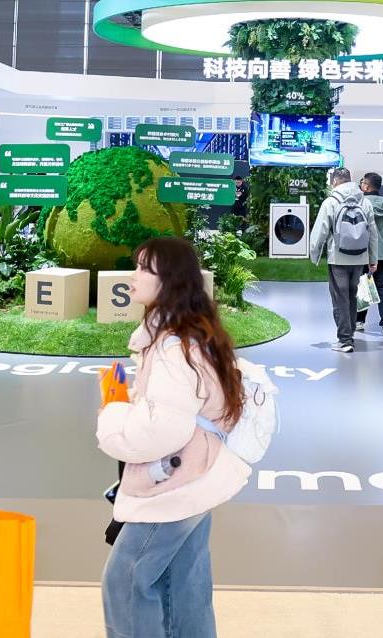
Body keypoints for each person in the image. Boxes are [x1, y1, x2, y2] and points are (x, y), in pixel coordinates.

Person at [97, 236, 250, 638]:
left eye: (144, 268)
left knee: (125, 582)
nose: (133, 276)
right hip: (196, 475)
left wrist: (113, 412)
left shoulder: (173, 348)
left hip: (173, 485)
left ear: (169, 281)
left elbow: (162, 430)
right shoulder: (190, 336)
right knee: (185, 585)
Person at [308, 166, 372, 353]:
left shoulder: (331, 202)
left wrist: (314, 254)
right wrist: (373, 258)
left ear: (335, 181)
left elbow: (320, 231)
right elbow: (373, 232)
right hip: (360, 257)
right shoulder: (365, 202)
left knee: (340, 297)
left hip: (338, 257)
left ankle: (344, 340)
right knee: (352, 295)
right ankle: (349, 334)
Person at [353, 172, 383, 339]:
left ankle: (359, 321)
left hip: (363, 253)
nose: (360, 185)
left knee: (364, 285)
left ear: (366, 187)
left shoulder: (359, 204)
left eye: (362, 183)